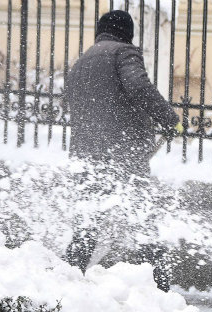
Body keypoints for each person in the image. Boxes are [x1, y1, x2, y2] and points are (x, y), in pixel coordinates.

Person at [62, 9, 180, 272]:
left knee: (88, 223)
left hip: (87, 156)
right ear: (128, 32)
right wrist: (169, 120)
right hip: (122, 154)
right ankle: (158, 283)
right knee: (142, 217)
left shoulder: (83, 61)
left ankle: (67, 277)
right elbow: (138, 87)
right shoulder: (123, 52)